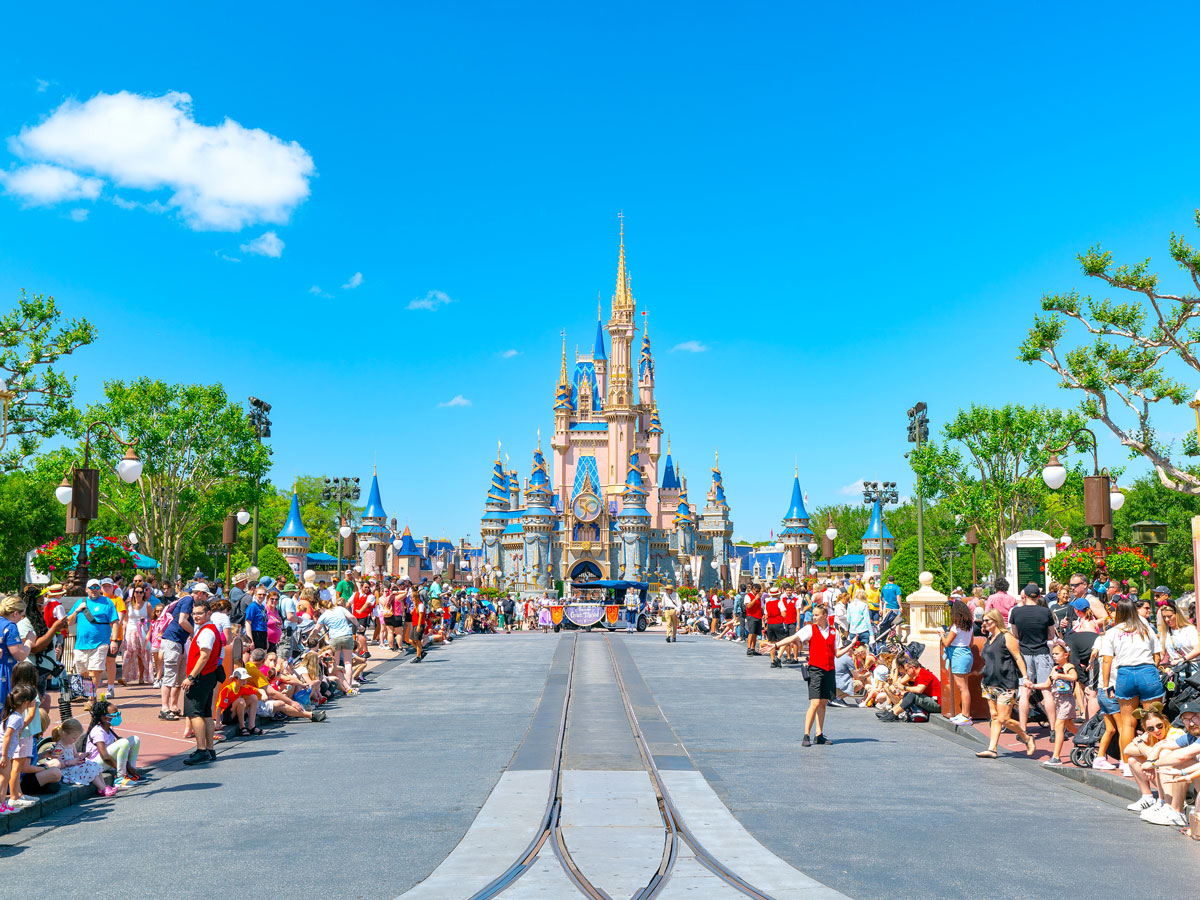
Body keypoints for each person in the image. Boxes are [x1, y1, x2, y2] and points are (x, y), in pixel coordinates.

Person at [1099, 596, 1163, 772]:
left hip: (1125, 674)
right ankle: (1156, 760)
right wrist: (1151, 669)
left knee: (1128, 723)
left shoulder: (1112, 632)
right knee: (1154, 719)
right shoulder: (1145, 628)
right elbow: (1158, 654)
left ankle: (1127, 764)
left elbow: (1106, 661)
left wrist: (1106, 685)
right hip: (1146, 671)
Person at [975, 609, 1036, 759]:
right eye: (983, 621)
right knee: (995, 717)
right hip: (989, 682)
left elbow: (1018, 658)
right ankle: (992, 749)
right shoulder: (989, 638)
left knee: (1003, 718)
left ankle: (1026, 737)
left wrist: (1026, 677)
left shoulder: (1006, 636)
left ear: (996, 621)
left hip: (1006, 683)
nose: (984, 623)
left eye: (987, 620)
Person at [795, 603, 855, 746]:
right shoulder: (811, 629)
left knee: (823, 703)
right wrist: (782, 645)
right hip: (815, 669)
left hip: (829, 669)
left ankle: (819, 734)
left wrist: (850, 646)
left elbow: (837, 653)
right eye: (814, 615)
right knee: (815, 702)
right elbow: (795, 638)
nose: (814, 617)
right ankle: (806, 734)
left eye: (816, 615)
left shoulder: (834, 632)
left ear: (825, 616)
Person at [1136, 699, 1200, 827]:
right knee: (1166, 754)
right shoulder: (1190, 736)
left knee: (1175, 760)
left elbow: (1182, 756)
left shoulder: (1176, 733)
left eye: (1194, 718)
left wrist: (1153, 764)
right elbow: (1163, 745)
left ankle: (1176, 811)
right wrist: (1150, 757)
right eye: (1186, 720)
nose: (1191, 723)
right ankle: (1168, 806)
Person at [1008, 582, 1059, 734]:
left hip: (1024, 653)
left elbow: (1015, 633)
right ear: (1038, 596)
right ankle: (1053, 729)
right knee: (1046, 691)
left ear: (1024, 596)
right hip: (1042, 652)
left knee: (1025, 691)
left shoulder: (1016, 612)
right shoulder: (1046, 612)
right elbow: (1051, 634)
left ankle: (1023, 729)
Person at [180, 597, 223, 765]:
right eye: (194, 614)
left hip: (201, 676)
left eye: (199, 613)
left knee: (194, 713)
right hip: (209, 675)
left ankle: (201, 750)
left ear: (208, 613)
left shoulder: (206, 631)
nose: (196, 616)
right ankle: (210, 749)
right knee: (205, 713)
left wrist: (191, 676)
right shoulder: (207, 629)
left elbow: (204, 655)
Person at [1123, 704, 1183, 812]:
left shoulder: (1175, 733)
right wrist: (1150, 753)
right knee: (1132, 760)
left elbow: (1158, 754)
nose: (1156, 730)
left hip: (1182, 779)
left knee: (1160, 759)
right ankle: (1147, 798)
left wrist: (1141, 744)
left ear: (1165, 723)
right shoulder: (1151, 736)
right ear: (1146, 730)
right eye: (1151, 728)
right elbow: (1127, 750)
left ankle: (1163, 801)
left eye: (1159, 726)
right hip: (1165, 777)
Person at [67, 581, 118, 702]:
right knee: (83, 672)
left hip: (100, 642)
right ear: (86, 589)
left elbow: (115, 622)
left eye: (96, 587)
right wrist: (77, 610)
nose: (94, 590)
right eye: (91, 588)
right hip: (81, 644)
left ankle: (91, 699)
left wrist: (114, 640)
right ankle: (88, 693)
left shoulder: (107, 602)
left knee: (94, 671)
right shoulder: (80, 603)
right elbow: (69, 621)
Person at [1034, 640, 1079, 766]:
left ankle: (1056, 757)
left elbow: (1074, 677)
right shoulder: (1054, 668)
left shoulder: (1068, 667)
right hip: (1058, 701)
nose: (1054, 656)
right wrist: (1031, 685)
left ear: (1066, 655)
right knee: (1069, 726)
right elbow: (1047, 684)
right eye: (1053, 654)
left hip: (1067, 701)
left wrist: (1060, 676)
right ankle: (1084, 740)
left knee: (1059, 726)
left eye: (1057, 654)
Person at [45, 717, 114, 796]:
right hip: (66, 771)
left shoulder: (71, 744)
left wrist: (84, 755)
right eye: (73, 738)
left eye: (77, 738)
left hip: (73, 766)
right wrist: (70, 762)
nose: (75, 740)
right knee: (89, 769)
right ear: (64, 734)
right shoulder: (59, 747)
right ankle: (102, 788)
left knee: (94, 765)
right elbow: (54, 764)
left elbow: (76, 755)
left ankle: (104, 786)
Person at [158, 582, 197, 720]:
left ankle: (173, 706)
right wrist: (195, 632)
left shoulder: (191, 603)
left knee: (179, 676)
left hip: (179, 642)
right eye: (204, 595)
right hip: (172, 640)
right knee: (170, 674)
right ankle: (164, 708)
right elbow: (182, 621)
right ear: (199, 593)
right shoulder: (188, 600)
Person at [83, 697, 141, 786]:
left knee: (135, 739)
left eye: (118, 713)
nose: (118, 715)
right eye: (115, 714)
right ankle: (120, 778)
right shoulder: (98, 731)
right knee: (124, 742)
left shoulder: (109, 730)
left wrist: (129, 766)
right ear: (103, 718)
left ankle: (133, 774)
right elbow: (105, 756)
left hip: (105, 763)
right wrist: (124, 767)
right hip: (95, 764)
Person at [941, 599, 975, 725]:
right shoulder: (969, 626)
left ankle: (966, 716)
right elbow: (971, 643)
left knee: (963, 687)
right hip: (966, 653)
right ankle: (964, 714)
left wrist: (941, 635)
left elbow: (946, 643)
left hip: (958, 655)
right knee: (964, 685)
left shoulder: (956, 627)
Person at [1157, 597, 1197, 664]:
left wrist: (1182, 659)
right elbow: (1162, 653)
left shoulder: (1189, 629)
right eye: (1164, 617)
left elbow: (1197, 649)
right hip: (1176, 670)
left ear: (1177, 615)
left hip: (1193, 668)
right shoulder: (1164, 632)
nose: (1166, 619)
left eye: (1169, 616)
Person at [244, 584, 270, 651]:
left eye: (264, 595)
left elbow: (264, 623)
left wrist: (266, 640)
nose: (262, 596)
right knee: (256, 656)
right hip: (255, 633)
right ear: (255, 595)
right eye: (259, 594)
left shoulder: (263, 607)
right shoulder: (252, 606)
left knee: (262, 656)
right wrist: (251, 640)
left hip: (263, 633)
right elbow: (248, 623)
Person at [743, 585, 763, 656]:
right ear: (752, 590)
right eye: (756, 591)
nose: (757, 592)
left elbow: (761, 607)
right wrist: (755, 599)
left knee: (755, 633)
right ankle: (748, 648)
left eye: (758, 591)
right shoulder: (748, 596)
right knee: (751, 632)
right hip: (751, 616)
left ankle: (753, 648)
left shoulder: (759, 598)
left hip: (758, 616)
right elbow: (748, 606)